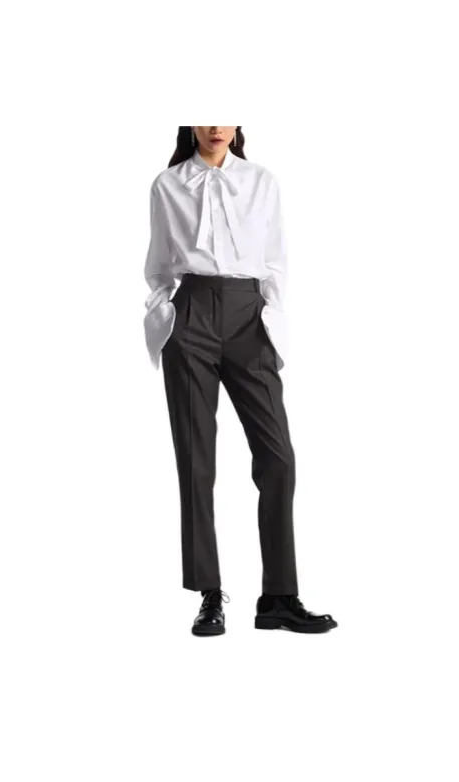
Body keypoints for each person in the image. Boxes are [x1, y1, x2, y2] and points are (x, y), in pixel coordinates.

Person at [143, 126, 337, 636]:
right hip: (191, 316)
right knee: (196, 461)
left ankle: (278, 597)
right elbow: (159, 264)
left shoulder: (261, 181)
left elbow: (276, 259)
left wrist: (269, 318)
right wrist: (165, 316)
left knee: (278, 458)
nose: (215, 126)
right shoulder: (168, 184)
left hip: (250, 318)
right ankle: (209, 593)